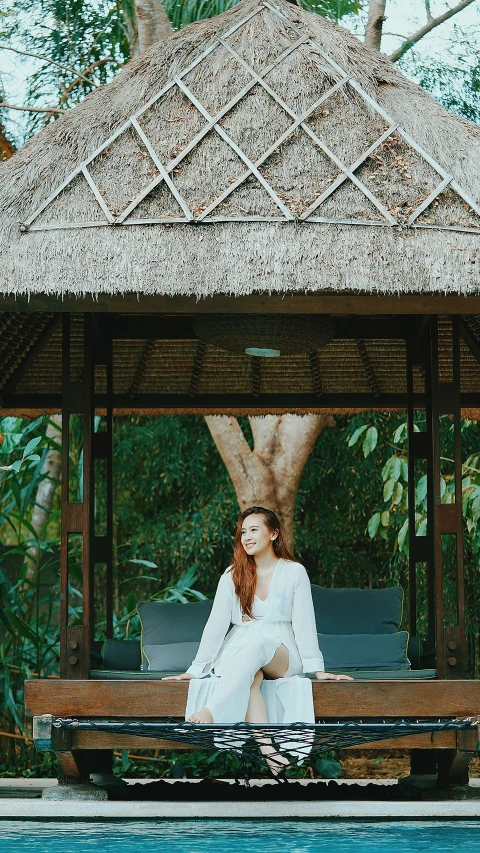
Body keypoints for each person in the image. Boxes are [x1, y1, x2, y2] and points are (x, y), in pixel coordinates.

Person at [163, 506, 352, 773]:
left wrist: (317, 670)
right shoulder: (232, 575)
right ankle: (269, 751)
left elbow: (304, 623)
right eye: (243, 532)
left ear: (273, 534)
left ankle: (214, 710)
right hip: (240, 651)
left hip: (281, 653)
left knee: (258, 644)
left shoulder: (294, 572)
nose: (247, 537)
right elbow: (216, 626)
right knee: (250, 675)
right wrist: (196, 670)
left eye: (254, 530)